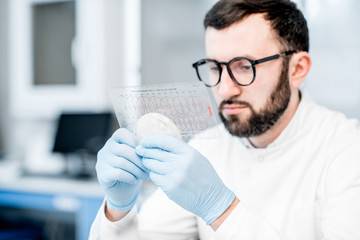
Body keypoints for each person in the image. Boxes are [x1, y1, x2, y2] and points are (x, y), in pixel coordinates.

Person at [90, 0, 360, 239]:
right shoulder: (208, 150)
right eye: (215, 68)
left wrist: (220, 208)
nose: (225, 90)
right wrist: (118, 209)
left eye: (245, 67)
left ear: (297, 69)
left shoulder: (348, 150)